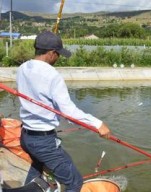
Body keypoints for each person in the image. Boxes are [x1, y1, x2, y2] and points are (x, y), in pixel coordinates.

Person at [17, 30, 111, 192]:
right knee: (75, 183)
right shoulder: (53, 75)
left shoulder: (23, 68)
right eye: (58, 54)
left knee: (36, 172)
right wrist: (98, 124)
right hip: (43, 142)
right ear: (52, 53)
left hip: (26, 136)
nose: (59, 58)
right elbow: (69, 112)